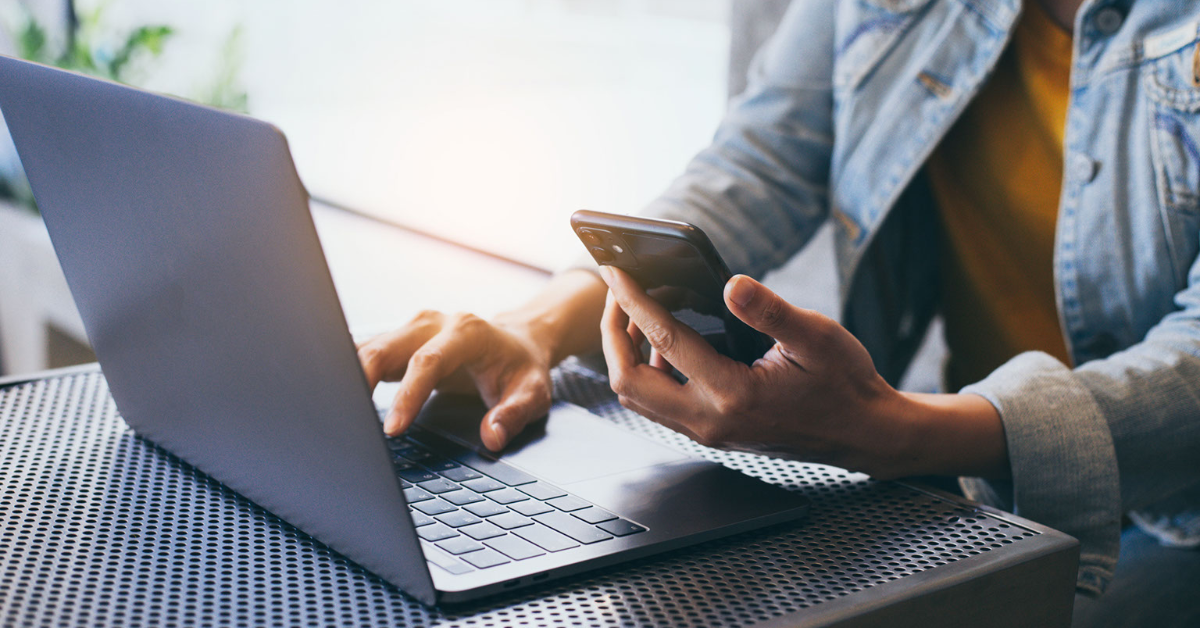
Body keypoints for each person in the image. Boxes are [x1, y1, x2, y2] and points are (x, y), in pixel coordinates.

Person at [356, 0, 1200, 623]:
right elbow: (767, 156)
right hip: (972, 458)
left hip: (1175, 513)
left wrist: (891, 431)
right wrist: (546, 319)